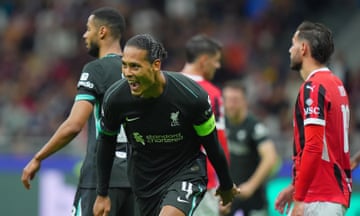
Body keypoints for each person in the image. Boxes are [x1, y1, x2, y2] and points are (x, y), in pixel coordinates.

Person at [93, 33, 239, 216]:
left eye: (135, 66)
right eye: (125, 65)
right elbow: (106, 143)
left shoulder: (192, 97)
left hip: (186, 171)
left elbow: (212, 144)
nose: (128, 73)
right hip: (145, 180)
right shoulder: (116, 99)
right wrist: (102, 193)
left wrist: (226, 184)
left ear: (156, 65)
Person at [21, 7, 135, 216]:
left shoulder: (96, 69)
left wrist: (38, 157)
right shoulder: (140, 72)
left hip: (102, 180)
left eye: (88, 29)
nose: (84, 35)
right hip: (138, 179)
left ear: (102, 32)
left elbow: (74, 125)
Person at [275, 21, 352, 216]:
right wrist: (295, 187)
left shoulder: (314, 87)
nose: (289, 50)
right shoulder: (336, 84)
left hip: (319, 197)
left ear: (303, 48)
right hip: (330, 194)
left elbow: (314, 146)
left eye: (293, 43)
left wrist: (300, 198)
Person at [181, 34, 230, 216]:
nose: (218, 66)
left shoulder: (166, 86)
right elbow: (220, 141)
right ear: (203, 60)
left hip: (168, 185)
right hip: (203, 184)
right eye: (216, 61)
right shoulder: (212, 94)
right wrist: (226, 186)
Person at [220, 80, 279, 216]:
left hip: (253, 198)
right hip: (229, 195)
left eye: (235, 100)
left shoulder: (254, 126)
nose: (230, 104)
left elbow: (270, 157)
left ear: (245, 101)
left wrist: (251, 186)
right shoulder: (221, 124)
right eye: (227, 99)